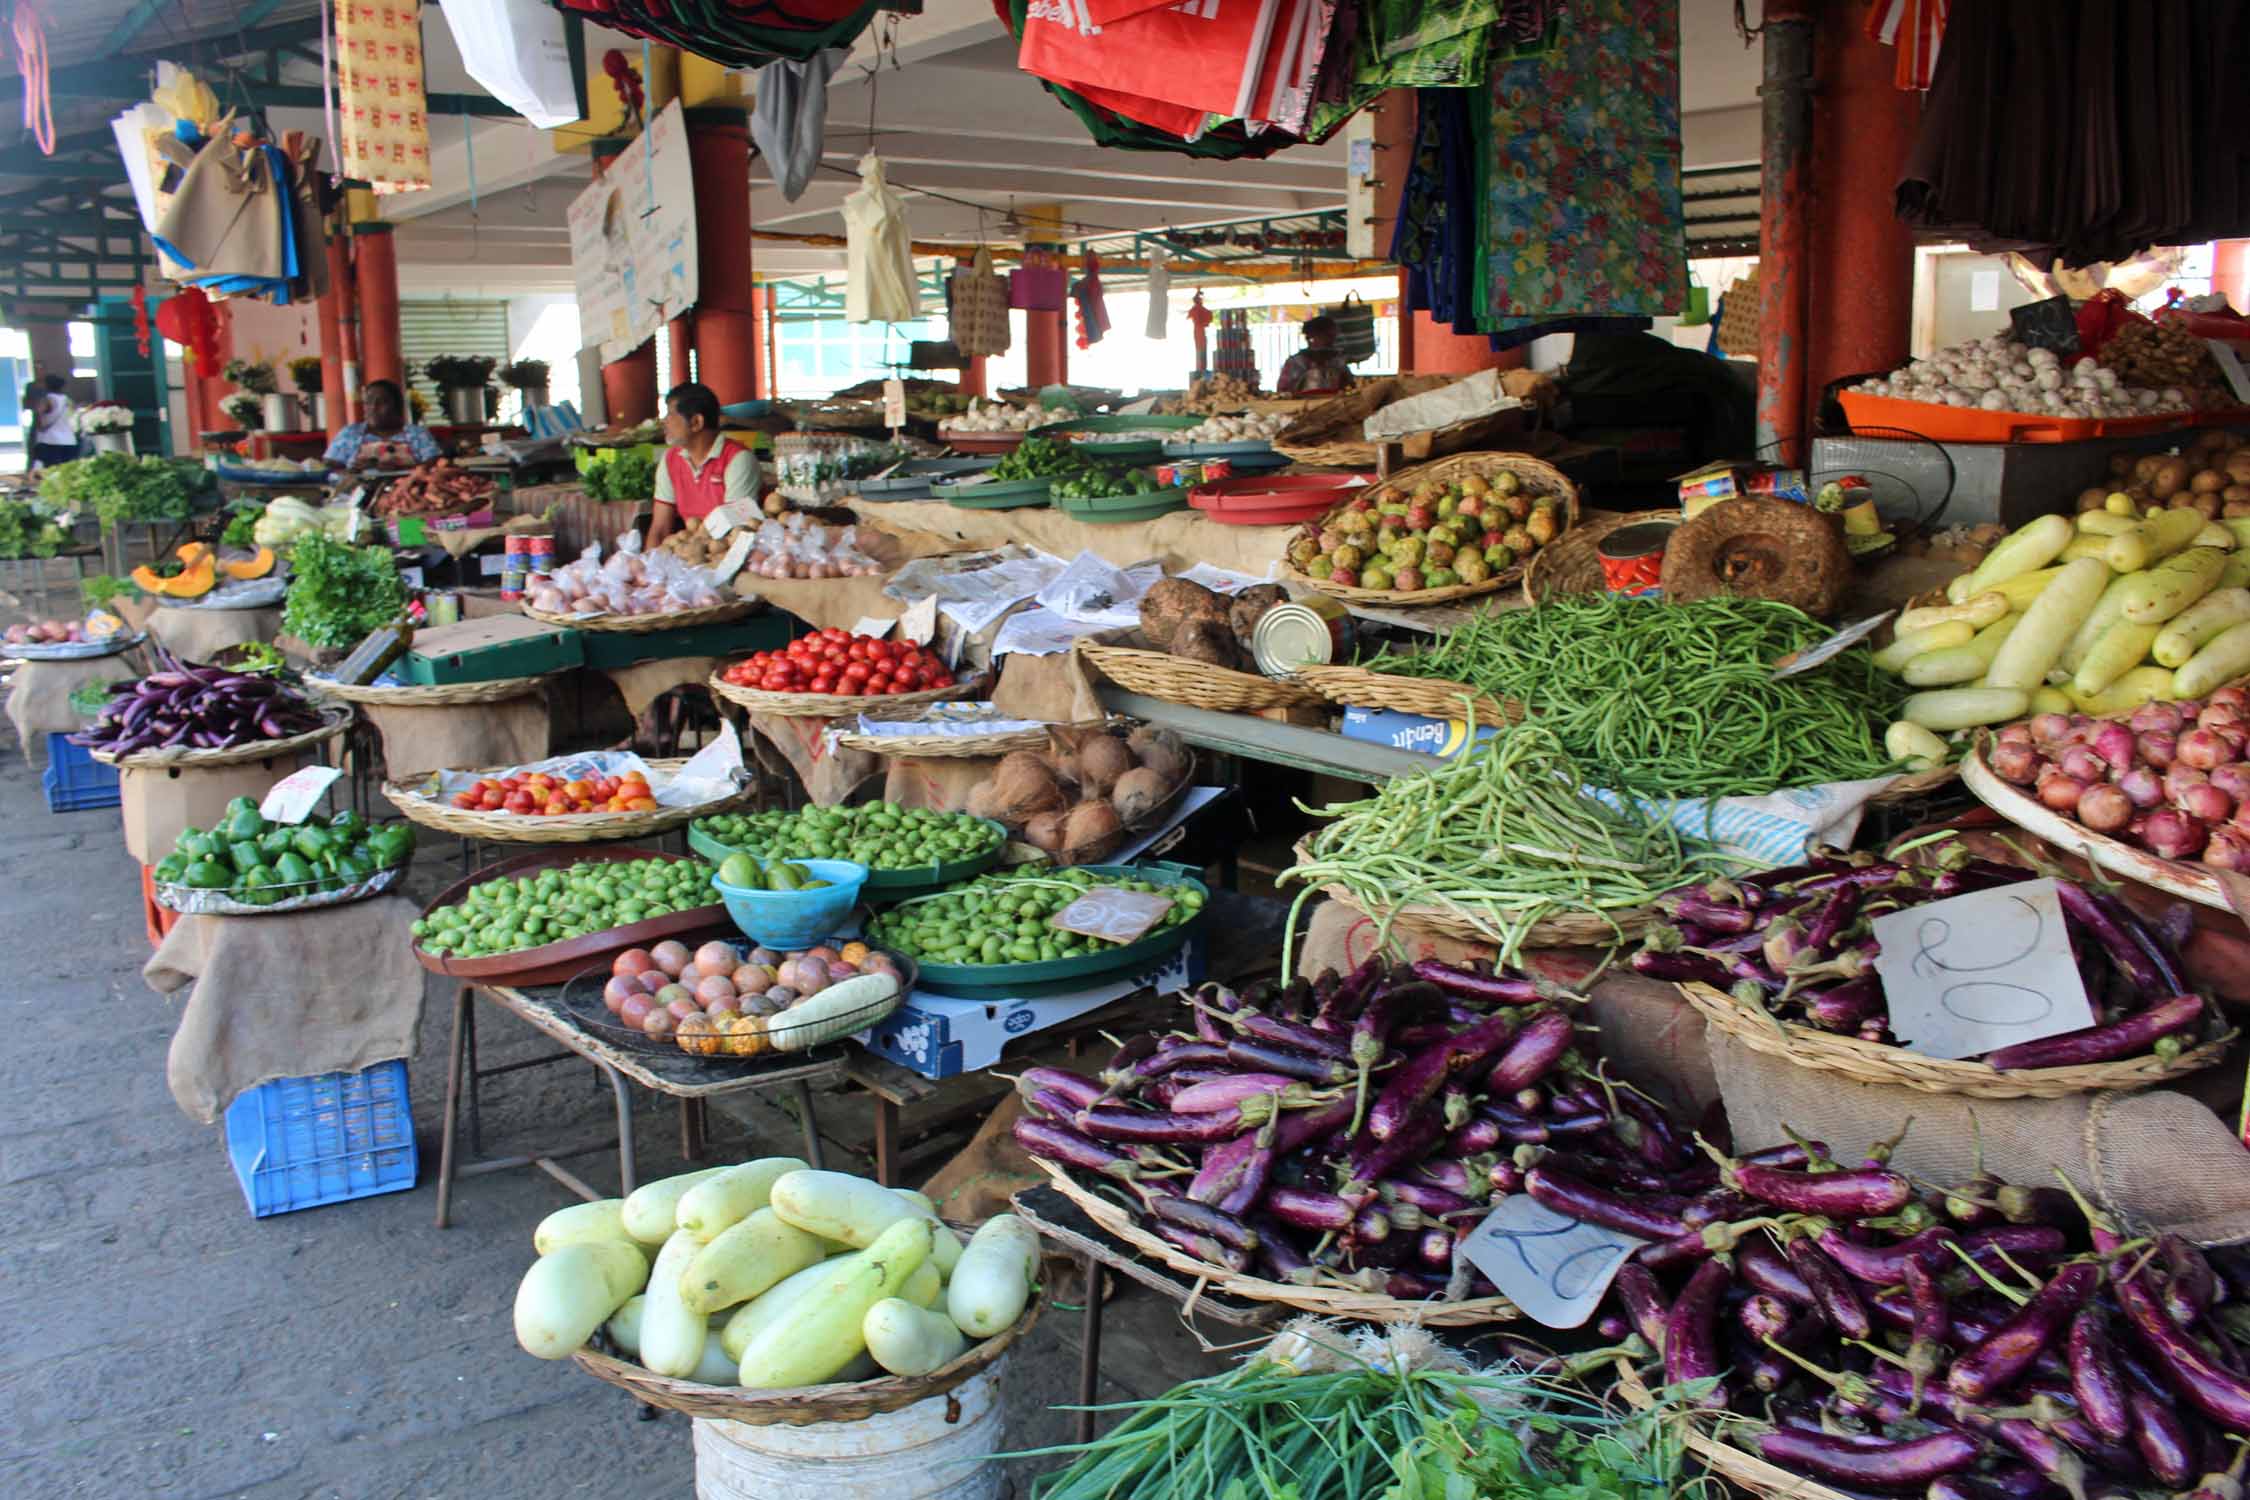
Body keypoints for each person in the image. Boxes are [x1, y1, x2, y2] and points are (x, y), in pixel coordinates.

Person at [645, 382, 757, 550]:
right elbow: (660, 527)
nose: (664, 422)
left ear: (696, 422)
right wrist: (648, 566)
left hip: (726, 551)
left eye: (669, 414)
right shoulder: (670, 460)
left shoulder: (739, 459)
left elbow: (736, 528)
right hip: (691, 551)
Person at [323, 379, 442, 470]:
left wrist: (401, 467)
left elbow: (434, 462)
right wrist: (354, 470)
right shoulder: (350, 433)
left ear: (396, 405)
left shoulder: (417, 433)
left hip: (405, 491)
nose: (373, 407)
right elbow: (330, 464)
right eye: (368, 401)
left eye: (382, 402)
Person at [1275, 315, 1355, 397]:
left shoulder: (1337, 361)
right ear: (1311, 337)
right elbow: (1282, 391)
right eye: (1328, 336)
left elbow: (1351, 387)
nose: (1332, 341)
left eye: (1333, 337)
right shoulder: (1296, 363)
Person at [28, 374, 78, 470]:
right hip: (70, 441)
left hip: (51, 443)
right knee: (67, 473)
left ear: (47, 385)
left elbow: (39, 420)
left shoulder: (47, 400)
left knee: (51, 473)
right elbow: (74, 418)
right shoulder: (68, 401)